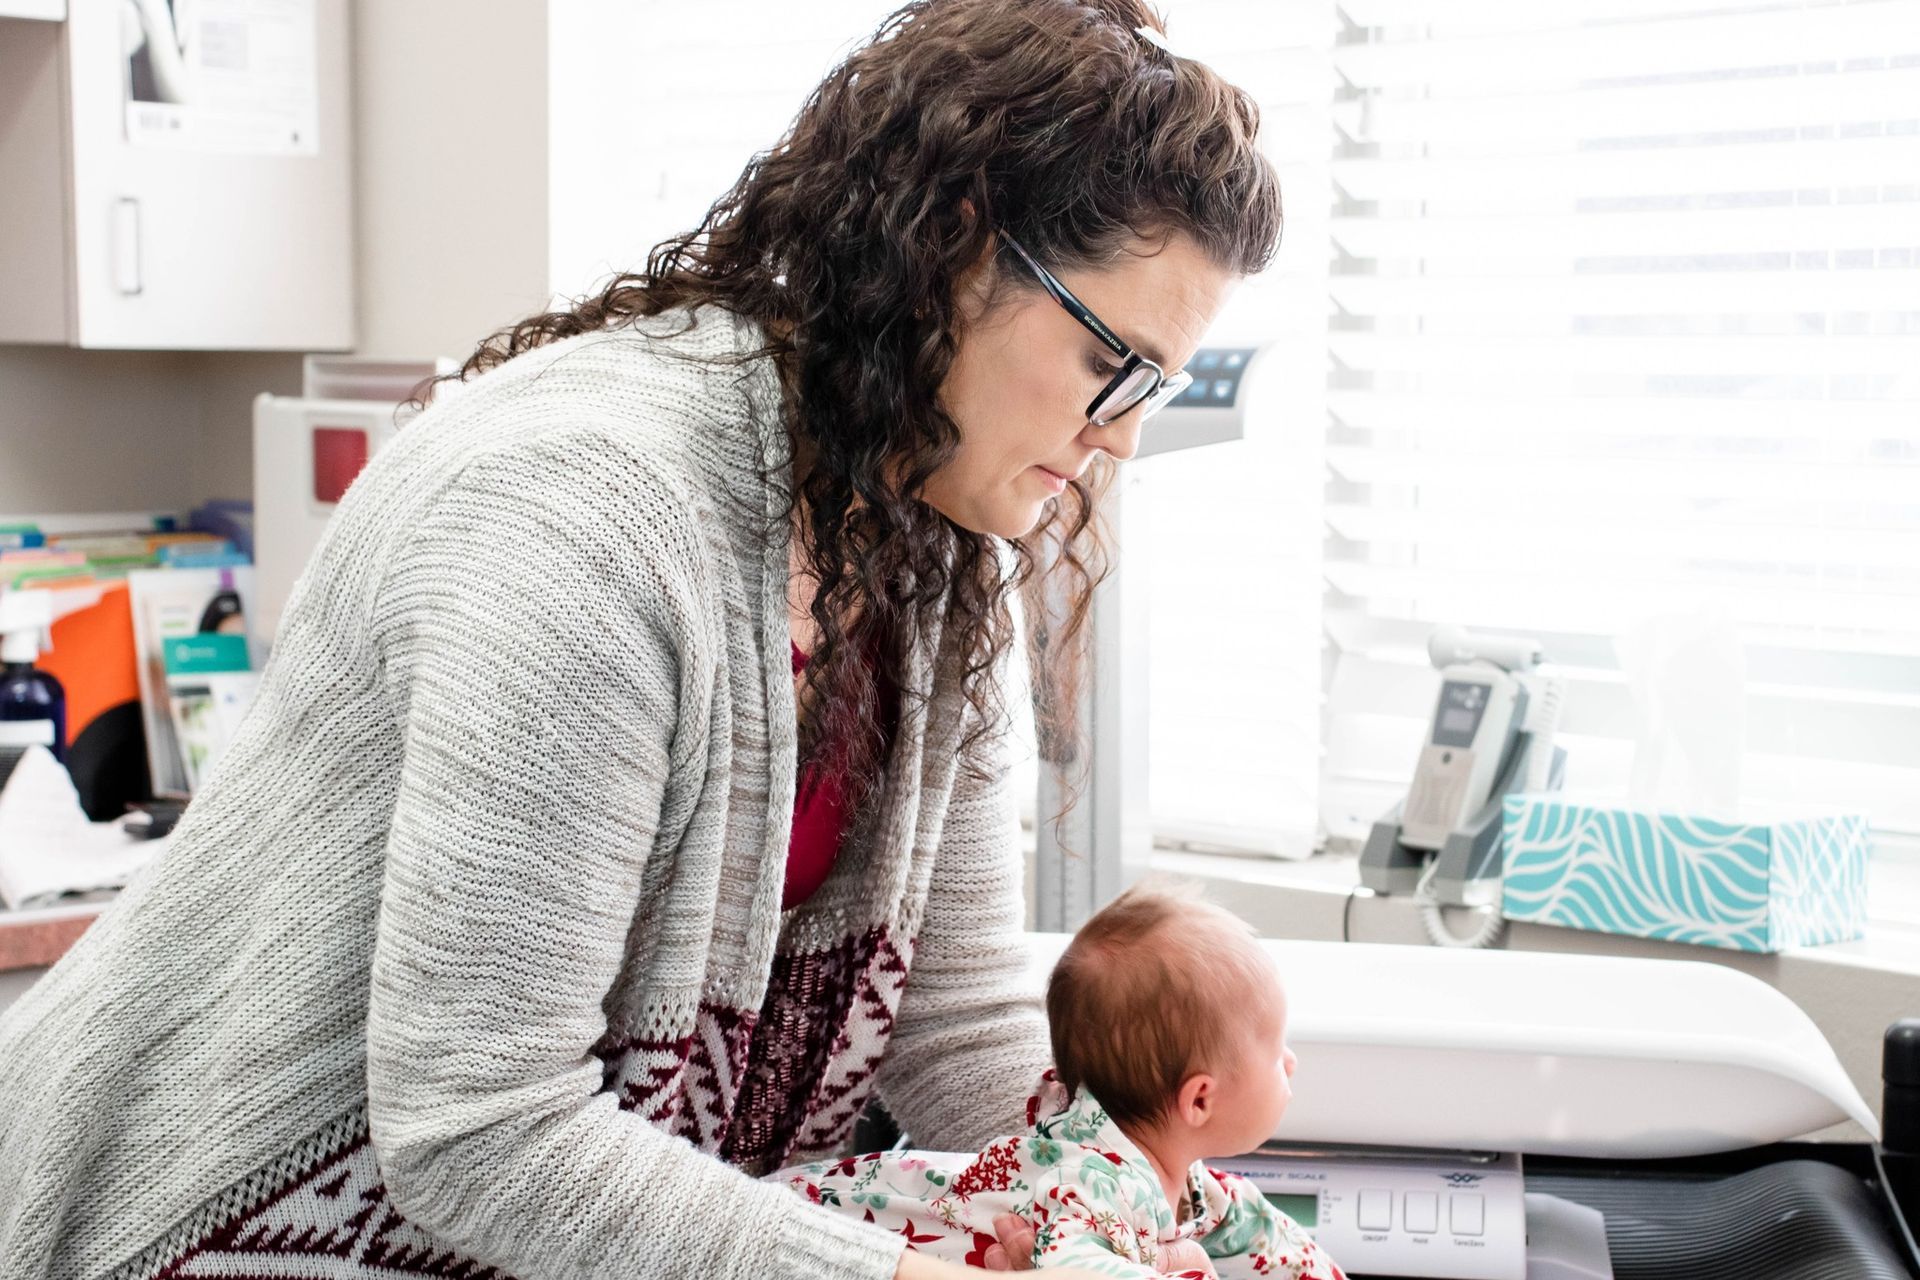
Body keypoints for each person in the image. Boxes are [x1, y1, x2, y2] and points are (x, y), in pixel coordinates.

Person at [0, 1, 1282, 1277]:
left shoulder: (929, 536)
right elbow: (480, 1131)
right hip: (185, 1232)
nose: (1121, 435)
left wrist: (1131, 1218)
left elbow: (948, 1019)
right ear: (954, 251)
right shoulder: (590, 520)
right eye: (1115, 366)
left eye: (1154, 390)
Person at [775, 881, 1344, 1280]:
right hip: (796, 1246)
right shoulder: (1088, 1185)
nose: (1290, 1063)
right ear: (1199, 1098)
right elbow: (1076, 1271)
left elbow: (1263, 1241)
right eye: (1277, 1052)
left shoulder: (1176, 1182)